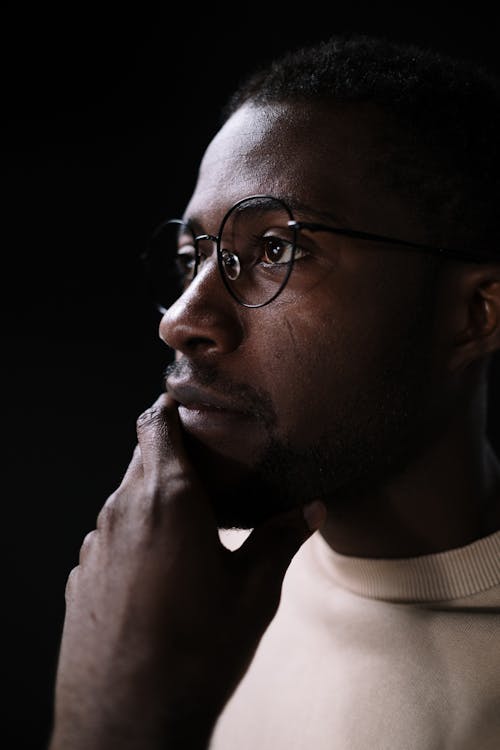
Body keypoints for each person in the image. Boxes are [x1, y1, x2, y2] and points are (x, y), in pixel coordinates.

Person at [48, 33, 500, 749]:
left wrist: (113, 720)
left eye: (276, 249)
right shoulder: (173, 586)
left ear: (475, 315)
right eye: (191, 258)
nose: (181, 320)